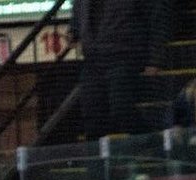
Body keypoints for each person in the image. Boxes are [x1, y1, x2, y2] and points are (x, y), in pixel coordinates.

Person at [70, 0, 173, 138]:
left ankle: (150, 142)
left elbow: (157, 19)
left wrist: (155, 60)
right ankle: (98, 157)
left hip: (125, 55)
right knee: (92, 116)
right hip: (93, 59)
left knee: (121, 108)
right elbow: (79, 14)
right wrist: (74, 32)